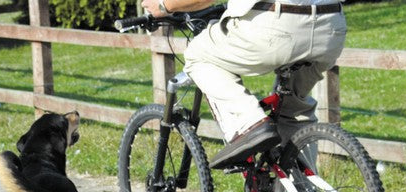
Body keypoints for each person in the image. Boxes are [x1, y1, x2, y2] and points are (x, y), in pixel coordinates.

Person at [141, 0, 347, 169]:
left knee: (197, 55)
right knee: (294, 110)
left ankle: (250, 123)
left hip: (279, 26)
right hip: (331, 29)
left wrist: (163, 5)